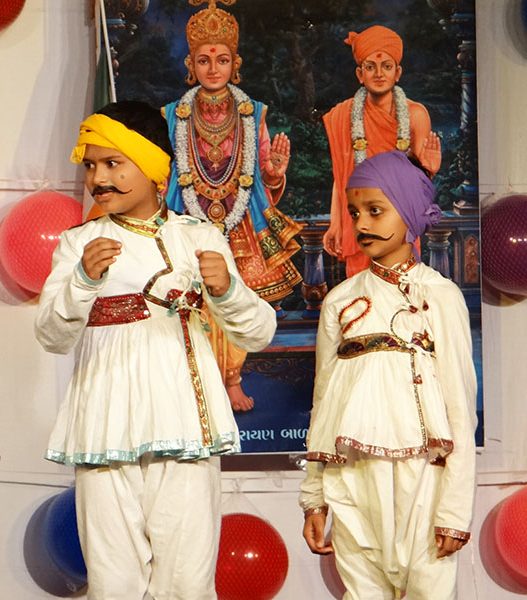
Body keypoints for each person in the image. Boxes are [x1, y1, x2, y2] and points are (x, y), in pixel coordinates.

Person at [35, 101, 277, 599]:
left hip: (182, 423)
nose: (99, 178)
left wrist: (227, 290)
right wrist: (83, 281)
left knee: (186, 582)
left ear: (153, 167)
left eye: (113, 163)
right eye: (90, 166)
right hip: (105, 425)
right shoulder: (79, 244)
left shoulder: (198, 237)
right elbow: (52, 335)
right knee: (113, 582)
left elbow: (258, 333)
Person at [299, 151, 476, 599]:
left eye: (375, 211)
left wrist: (455, 509)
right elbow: (323, 401)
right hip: (351, 477)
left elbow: (460, 409)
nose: (362, 223)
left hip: (424, 479)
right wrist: (314, 497)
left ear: (410, 211)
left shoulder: (439, 295)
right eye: (355, 212)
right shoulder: (340, 301)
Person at [163, 0, 303, 411]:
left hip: (241, 221)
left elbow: (261, 174)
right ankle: (200, 380)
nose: (213, 68)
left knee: (236, 296)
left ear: (235, 64)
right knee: (193, 299)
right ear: (191, 64)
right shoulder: (172, 115)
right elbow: (167, 175)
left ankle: (232, 379)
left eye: (222, 60)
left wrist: (274, 172)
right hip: (189, 217)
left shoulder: (252, 113)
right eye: (204, 60)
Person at [323, 24, 443, 277]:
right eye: (370, 67)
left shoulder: (415, 114)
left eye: (386, 66)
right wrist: (335, 223)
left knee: (400, 292)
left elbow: (417, 186)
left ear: (397, 72)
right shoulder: (343, 115)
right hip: (359, 223)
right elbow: (341, 176)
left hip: (399, 224)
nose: (379, 74)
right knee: (361, 295)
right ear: (360, 74)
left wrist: (428, 171)